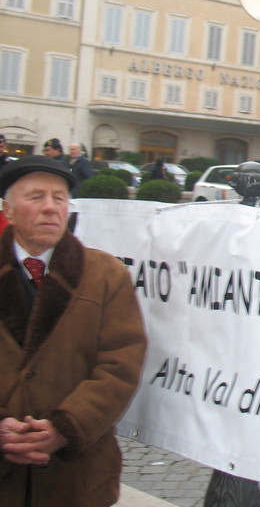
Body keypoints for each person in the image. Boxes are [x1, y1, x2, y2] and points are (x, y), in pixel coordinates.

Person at [0, 155, 147, 506]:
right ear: (8, 209)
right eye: (36, 197)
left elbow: (120, 365)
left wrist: (65, 428)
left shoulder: (105, 274)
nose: (51, 208)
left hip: (77, 479)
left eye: (60, 198)